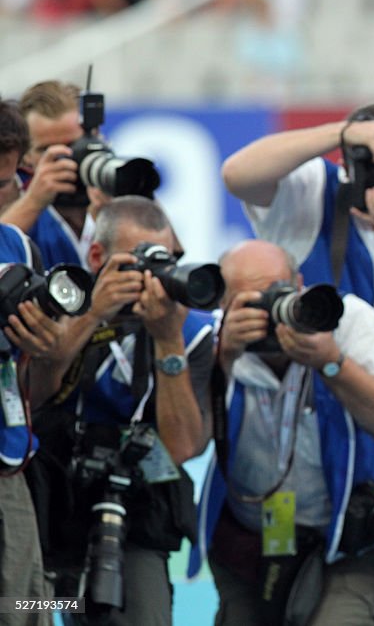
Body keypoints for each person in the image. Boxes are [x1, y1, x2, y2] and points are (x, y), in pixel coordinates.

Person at [188, 239, 374, 626]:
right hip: (252, 537)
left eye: (274, 293)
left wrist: (331, 362)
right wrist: (222, 358)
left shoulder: (345, 321)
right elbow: (187, 445)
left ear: (298, 285)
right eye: (248, 301)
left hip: (350, 535)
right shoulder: (211, 338)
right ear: (222, 303)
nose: (266, 310)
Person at [222, 102, 374, 442]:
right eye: (367, 162)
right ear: (345, 162)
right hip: (301, 407)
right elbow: (236, 174)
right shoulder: (314, 189)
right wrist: (341, 132)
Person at [27, 196, 214, 626]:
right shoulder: (62, 304)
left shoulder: (194, 331)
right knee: (26, 608)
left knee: (144, 615)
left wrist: (168, 341)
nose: (150, 279)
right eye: (136, 264)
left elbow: (183, 446)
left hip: (137, 506)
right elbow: (32, 397)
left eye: (161, 263)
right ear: (97, 256)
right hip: (52, 500)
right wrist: (92, 313)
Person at [0, 98, 74, 626]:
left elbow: (40, 375)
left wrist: (47, 342)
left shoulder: (18, 248)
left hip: (6, 463)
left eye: (4, 186)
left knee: (27, 606)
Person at [2, 80, 109, 269]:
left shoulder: (110, 179)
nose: (63, 159)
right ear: (25, 154)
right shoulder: (8, 188)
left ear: (96, 136)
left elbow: (169, 252)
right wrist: (34, 202)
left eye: (72, 146)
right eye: (46, 150)